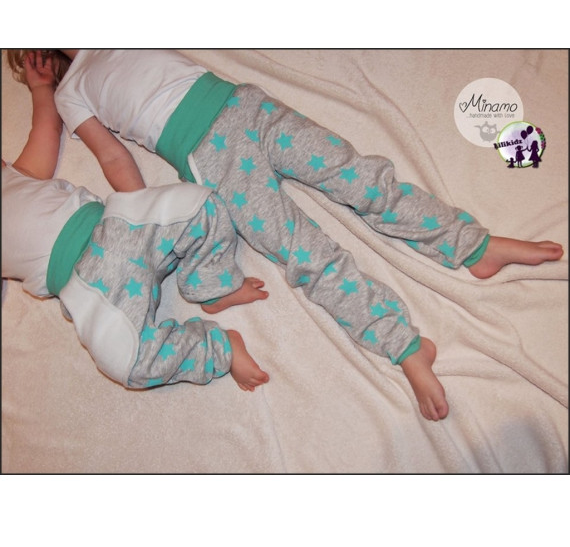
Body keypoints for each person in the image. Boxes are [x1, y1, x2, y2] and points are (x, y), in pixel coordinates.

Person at [7, 50, 564, 421]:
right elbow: (111, 156)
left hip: (247, 106)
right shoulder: (71, 92)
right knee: (305, 253)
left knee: (361, 177)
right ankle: (404, 345)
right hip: (209, 159)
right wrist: (141, 216)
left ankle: (472, 246)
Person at [2, 51, 270, 392]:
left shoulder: (16, 176)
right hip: (87, 290)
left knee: (202, 203)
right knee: (127, 363)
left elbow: (45, 129)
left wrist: (41, 89)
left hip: (119, 228)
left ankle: (212, 285)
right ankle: (220, 349)